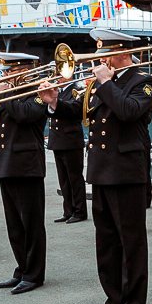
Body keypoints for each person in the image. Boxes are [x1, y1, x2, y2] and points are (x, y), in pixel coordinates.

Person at [39, 29, 152, 304]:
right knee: (106, 241)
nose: (100, 59)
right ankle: (113, 300)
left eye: (106, 54)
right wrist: (54, 103)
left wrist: (105, 82)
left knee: (130, 242)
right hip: (101, 171)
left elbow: (129, 112)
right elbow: (82, 113)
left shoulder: (142, 81)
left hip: (126, 172)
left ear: (123, 53)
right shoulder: (102, 84)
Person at [0, 52, 49, 294]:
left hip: (26, 165)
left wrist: (3, 93)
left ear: (25, 70)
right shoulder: (8, 93)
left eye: (11, 71)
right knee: (15, 224)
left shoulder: (39, 91)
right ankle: (22, 269)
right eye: (6, 71)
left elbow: (24, 114)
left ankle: (34, 274)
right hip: (5, 163)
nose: (6, 75)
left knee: (31, 224)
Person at [48, 79, 88, 225]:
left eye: (60, 73)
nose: (57, 77)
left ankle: (80, 211)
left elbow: (74, 110)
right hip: (58, 140)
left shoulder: (76, 90)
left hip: (71, 140)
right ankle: (68, 210)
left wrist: (54, 101)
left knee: (75, 178)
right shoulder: (58, 91)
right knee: (64, 180)